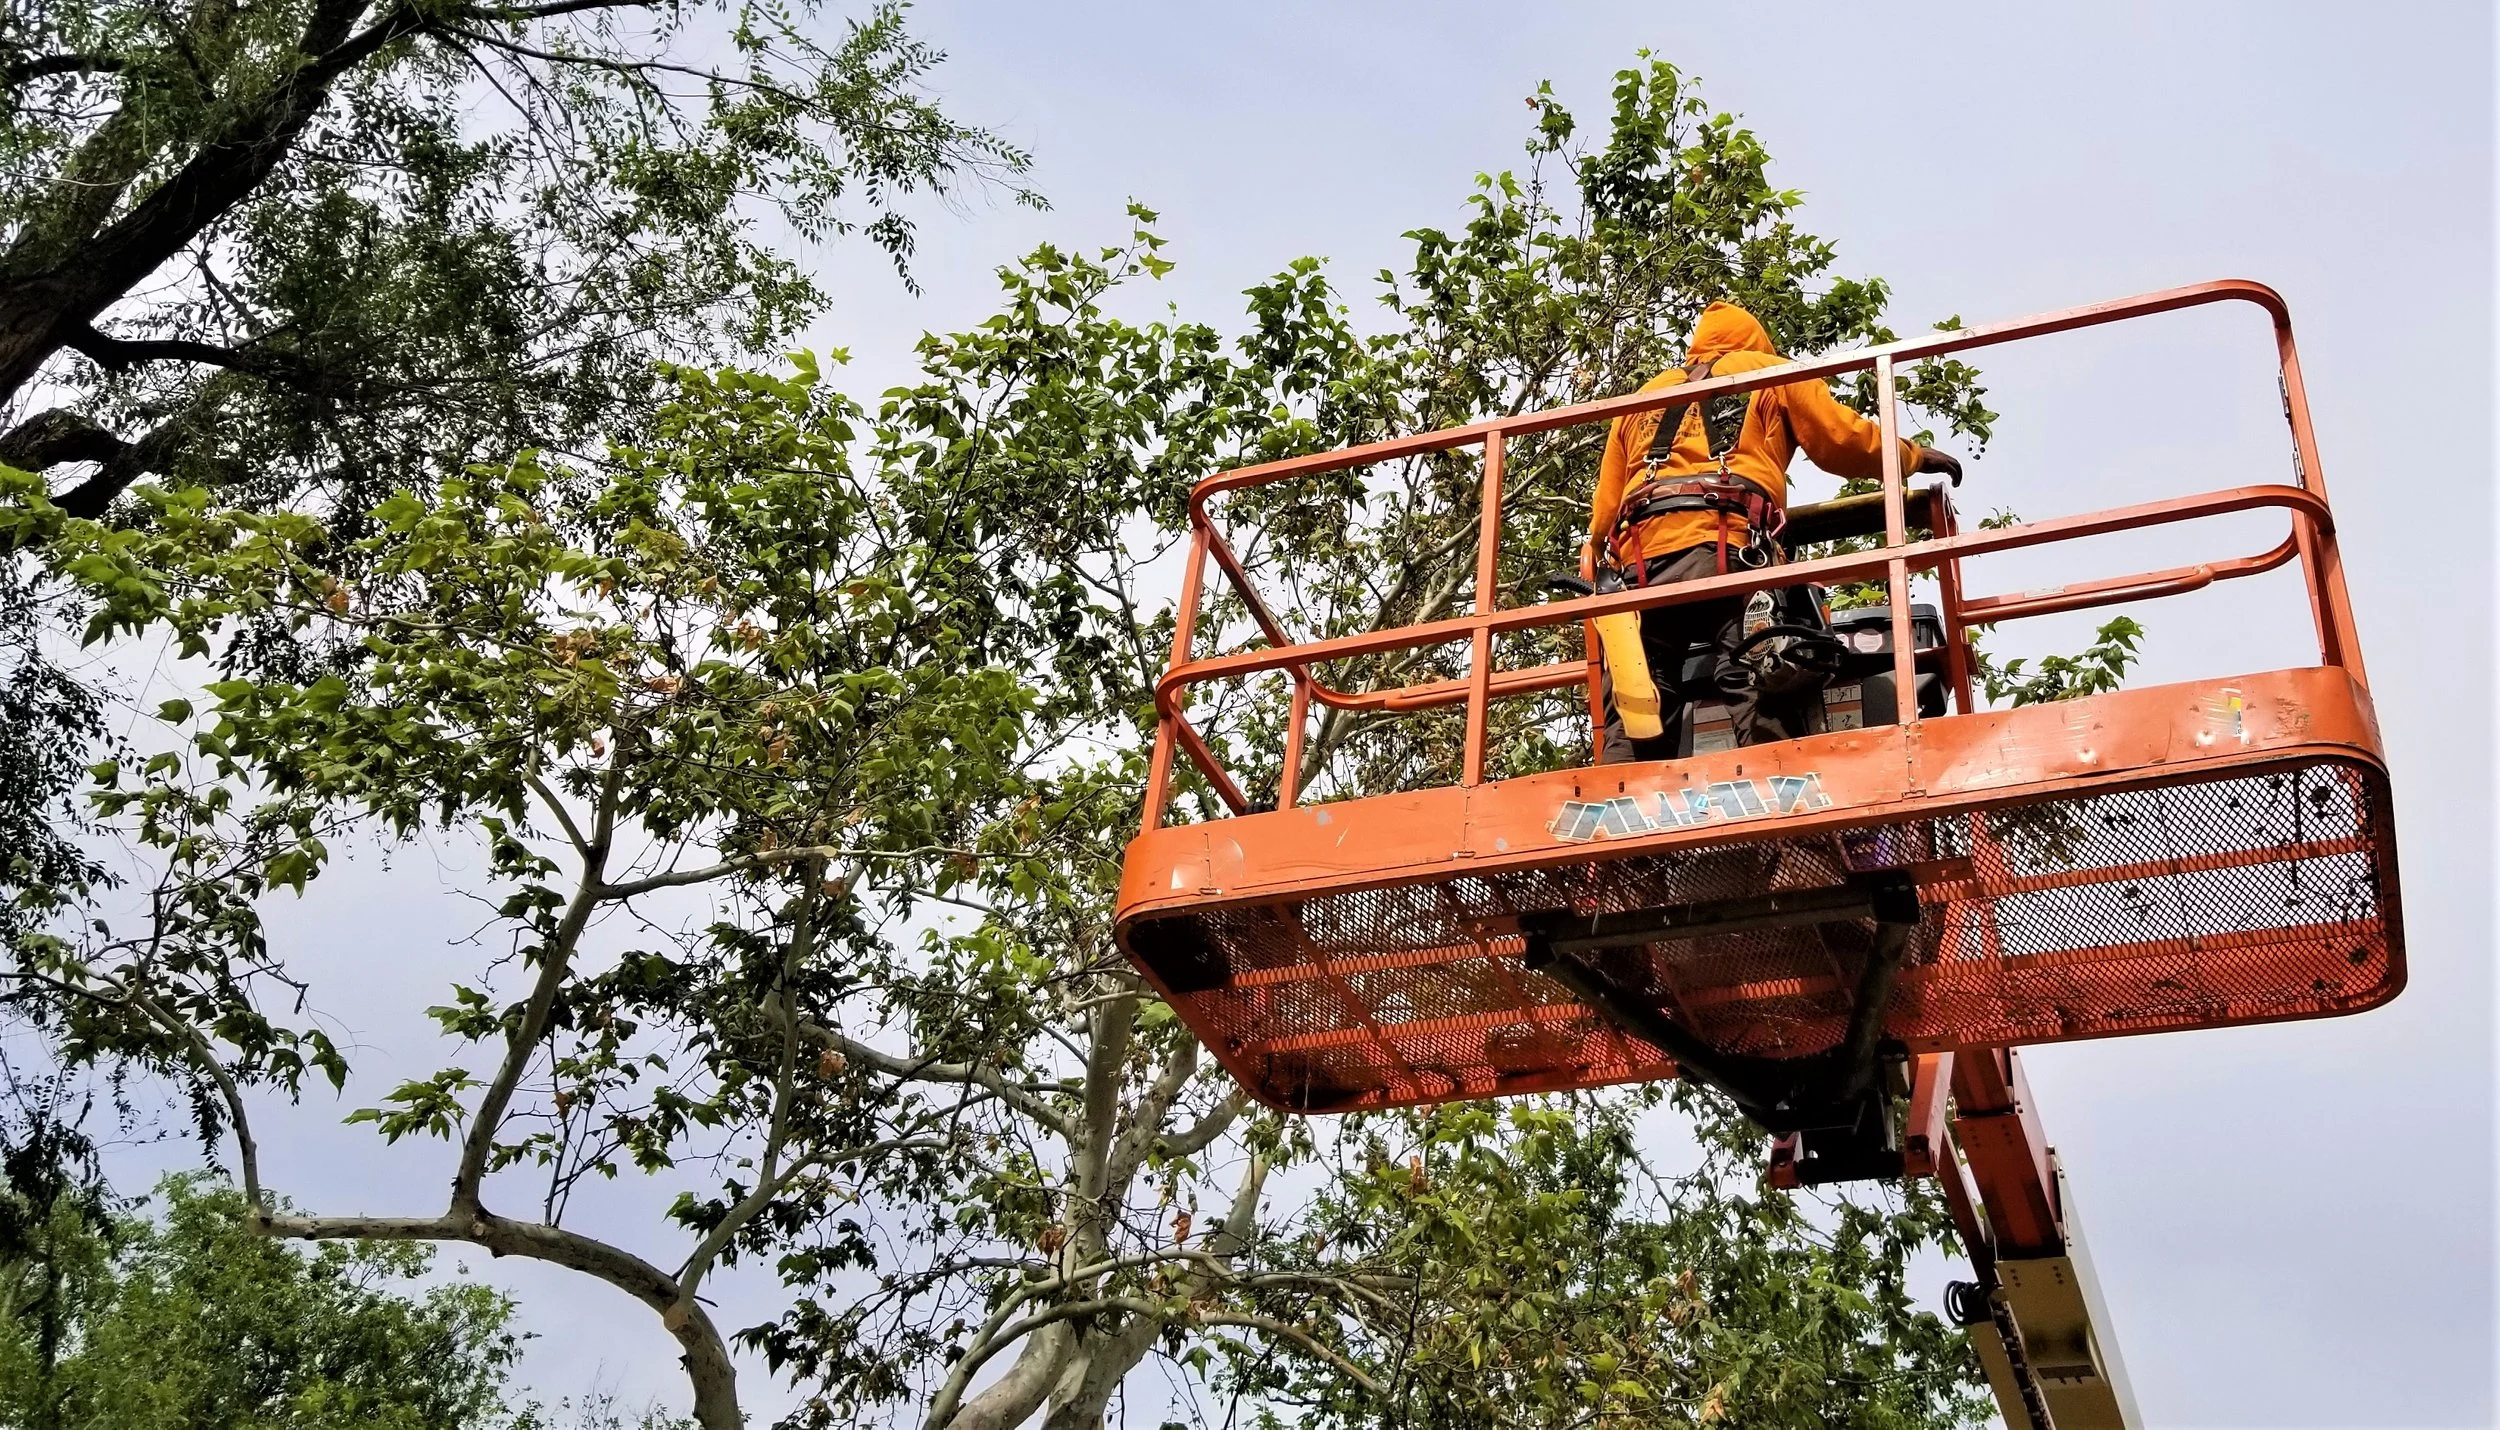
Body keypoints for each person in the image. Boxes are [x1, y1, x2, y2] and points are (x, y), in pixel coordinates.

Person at [1589, 301, 1962, 763]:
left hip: (1643, 563)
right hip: (1729, 547)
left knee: (1641, 688)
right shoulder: (1771, 371)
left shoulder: (1647, 394)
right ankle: (1781, 798)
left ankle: (1618, 799)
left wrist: (1603, 563)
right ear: (1756, 341)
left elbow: (1605, 509)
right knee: (1758, 669)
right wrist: (1914, 457)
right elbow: (1841, 441)